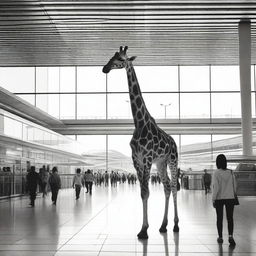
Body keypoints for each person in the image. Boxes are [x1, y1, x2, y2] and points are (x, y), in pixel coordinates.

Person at [212, 154, 237, 247]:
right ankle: (230, 236)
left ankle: (220, 237)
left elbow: (216, 187)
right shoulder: (231, 172)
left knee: (219, 218)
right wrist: (233, 193)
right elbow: (235, 185)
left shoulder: (216, 173)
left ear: (217, 163)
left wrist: (213, 198)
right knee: (230, 218)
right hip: (230, 198)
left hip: (219, 198)